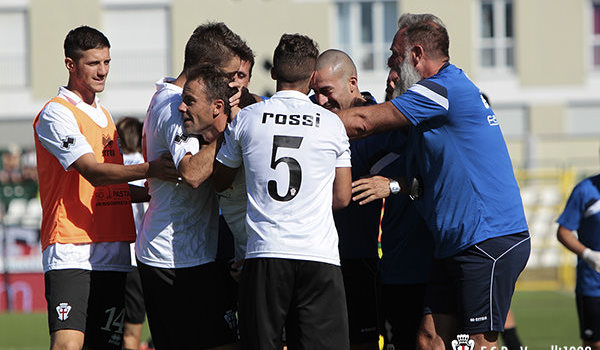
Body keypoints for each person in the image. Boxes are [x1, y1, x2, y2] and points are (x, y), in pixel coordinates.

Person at [339, 13, 530, 349]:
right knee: (428, 339)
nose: (389, 63)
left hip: (486, 239)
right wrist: (394, 184)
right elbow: (419, 180)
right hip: (454, 244)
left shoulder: (440, 90)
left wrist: (303, 120)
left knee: (479, 345)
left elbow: (365, 122)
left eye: (395, 55)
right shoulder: (437, 101)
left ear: (416, 55)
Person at [33, 25, 177, 350]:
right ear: (71, 64)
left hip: (112, 251)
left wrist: (161, 190)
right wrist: (151, 169)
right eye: (93, 63)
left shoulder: (104, 115)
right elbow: (93, 174)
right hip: (72, 247)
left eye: (107, 62)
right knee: (68, 345)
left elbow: (111, 189)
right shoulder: (57, 113)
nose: (102, 71)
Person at [212, 33, 352, 350]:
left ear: (273, 73)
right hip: (318, 256)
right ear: (313, 76)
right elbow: (342, 197)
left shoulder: (247, 119)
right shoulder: (332, 124)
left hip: (265, 254)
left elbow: (220, 181)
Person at [136, 22, 246, 350]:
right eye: (229, 77)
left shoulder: (172, 98)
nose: (231, 86)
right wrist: (234, 126)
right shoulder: (175, 106)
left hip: (189, 253)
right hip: (174, 257)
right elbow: (192, 173)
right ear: (205, 72)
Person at [311, 49, 381, 350]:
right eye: (315, 93)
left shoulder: (381, 124)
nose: (320, 101)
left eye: (326, 92)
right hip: (319, 260)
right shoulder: (315, 124)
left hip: (365, 260)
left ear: (352, 82)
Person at [115, 117, 149, 350]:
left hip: (111, 256)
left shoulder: (111, 168)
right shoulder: (144, 166)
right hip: (137, 257)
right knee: (131, 333)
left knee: (108, 330)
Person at [557, 173, 600, 350]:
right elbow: (563, 232)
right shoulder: (585, 190)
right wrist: (588, 254)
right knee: (594, 344)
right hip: (593, 285)